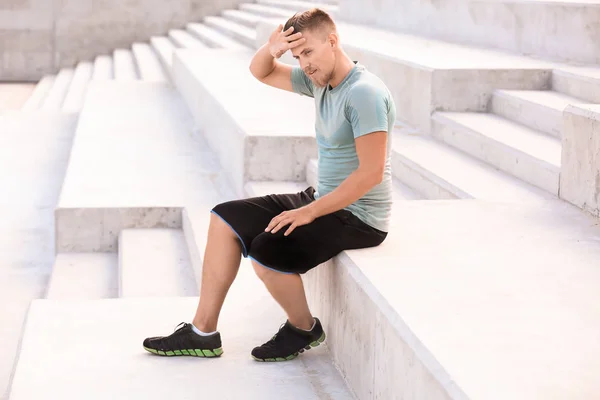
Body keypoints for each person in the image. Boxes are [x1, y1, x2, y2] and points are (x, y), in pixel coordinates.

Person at [142, 8, 396, 362]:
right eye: (297, 55)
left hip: (359, 216)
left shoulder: (363, 93)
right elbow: (261, 71)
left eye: (308, 52)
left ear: (333, 41)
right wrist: (272, 48)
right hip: (324, 199)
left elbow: (370, 173)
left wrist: (309, 212)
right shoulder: (319, 81)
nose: (304, 64)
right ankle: (203, 332)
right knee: (224, 219)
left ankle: (304, 328)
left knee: (266, 251)